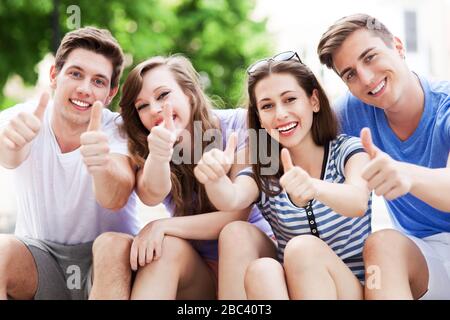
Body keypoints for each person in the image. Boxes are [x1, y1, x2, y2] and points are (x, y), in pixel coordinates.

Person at [195, 51, 372, 299]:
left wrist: (313, 187)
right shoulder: (264, 166)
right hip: (293, 286)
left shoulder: (347, 150)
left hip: (351, 286)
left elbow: (357, 201)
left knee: (302, 248)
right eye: (267, 106)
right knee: (248, 248)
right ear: (259, 117)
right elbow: (231, 199)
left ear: (314, 101)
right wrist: (215, 179)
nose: (280, 114)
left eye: (289, 99)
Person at [94, 55, 273, 299]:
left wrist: (163, 226)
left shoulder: (239, 124)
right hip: (202, 270)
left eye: (163, 95)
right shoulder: (150, 148)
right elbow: (150, 195)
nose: (155, 109)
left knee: (235, 233)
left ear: (188, 93)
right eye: (142, 106)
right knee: (164, 247)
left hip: (255, 256)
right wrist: (159, 154)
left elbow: (237, 212)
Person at [0, 27, 139, 300]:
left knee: (113, 246)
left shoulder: (120, 130)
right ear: (54, 75)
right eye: (76, 74)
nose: (85, 89)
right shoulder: (25, 117)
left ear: (111, 93)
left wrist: (102, 166)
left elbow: (117, 195)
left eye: (98, 81)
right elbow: (10, 155)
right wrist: (11, 147)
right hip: (40, 261)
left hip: (106, 266)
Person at [317, 13, 450, 299]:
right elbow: (299, 127)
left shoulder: (446, 105)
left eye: (370, 57)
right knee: (382, 244)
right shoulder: (354, 112)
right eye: (350, 74)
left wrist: (407, 175)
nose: (366, 78)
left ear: (398, 47)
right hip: (430, 256)